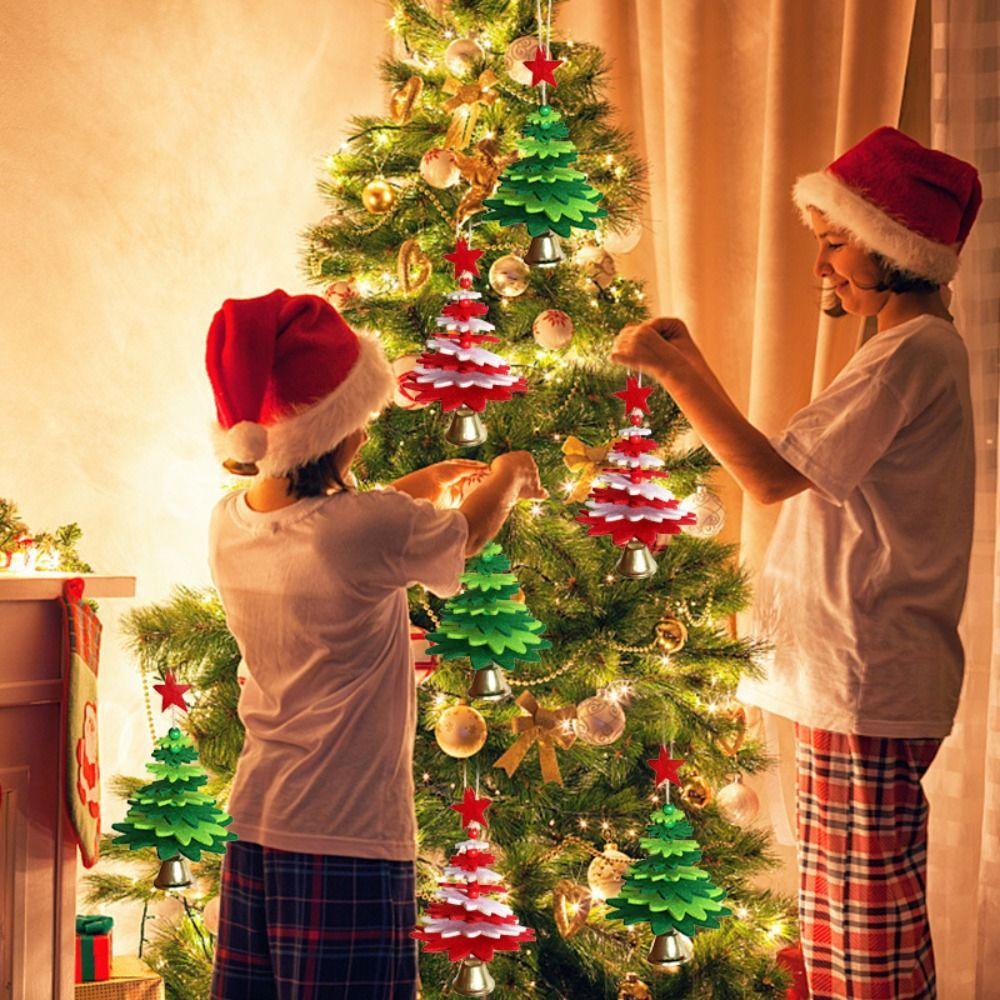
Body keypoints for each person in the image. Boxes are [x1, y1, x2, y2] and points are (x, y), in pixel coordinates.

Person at [610, 127, 981, 1000]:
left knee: (861, 933)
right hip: (854, 678)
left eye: (834, 243)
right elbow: (802, 465)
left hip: (867, 679)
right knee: (842, 915)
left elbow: (772, 475)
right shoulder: (904, 350)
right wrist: (692, 355)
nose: (823, 267)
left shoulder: (909, 355)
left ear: (893, 248)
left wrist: (672, 374)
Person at [204, 289, 545, 1000]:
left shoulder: (230, 521)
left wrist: (418, 488)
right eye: (359, 421)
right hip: (346, 838)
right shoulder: (363, 529)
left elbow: (327, 531)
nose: (366, 434)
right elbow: (466, 535)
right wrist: (508, 474)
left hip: (258, 825)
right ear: (337, 433)